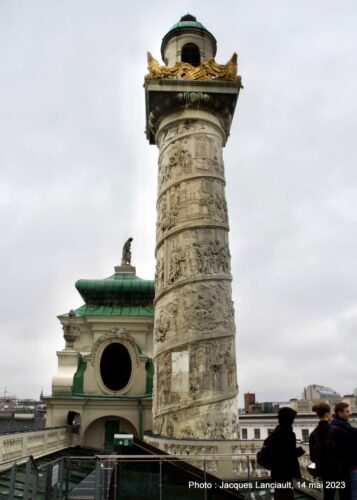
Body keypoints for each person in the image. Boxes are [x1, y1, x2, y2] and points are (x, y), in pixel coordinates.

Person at [309, 402, 351, 500]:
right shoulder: (337, 431)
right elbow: (348, 448)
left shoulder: (313, 434)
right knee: (345, 496)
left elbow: (312, 457)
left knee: (328, 496)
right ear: (327, 414)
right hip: (341, 471)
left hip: (325, 472)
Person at [267, 407, 305, 500]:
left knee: (280, 493)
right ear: (289, 419)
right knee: (286, 494)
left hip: (277, 470)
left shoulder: (277, 431)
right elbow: (287, 454)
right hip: (285, 471)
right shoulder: (288, 433)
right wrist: (299, 452)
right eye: (293, 419)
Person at [331, 402, 357, 500]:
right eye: (347, 411)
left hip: (341, 466)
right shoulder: (342, 426)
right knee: (353, 493)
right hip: (348, 466)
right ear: (339, 413)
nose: (349, 413)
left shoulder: (336, 424)